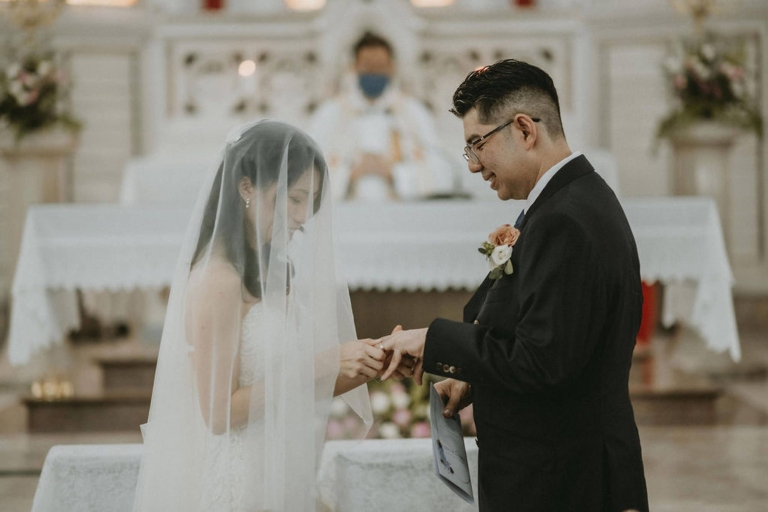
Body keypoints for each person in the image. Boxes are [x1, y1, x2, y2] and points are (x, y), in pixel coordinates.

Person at [380, 60, 649, 511]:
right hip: (557, 471)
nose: (472, 166)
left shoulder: (565, 219)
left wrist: (433, 341)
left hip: (565, 482)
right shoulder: (565, 203)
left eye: (476, 145)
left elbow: (540, 363)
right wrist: (473, 381)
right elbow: (552, 346)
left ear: (524, 130)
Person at [132, 121, 406, 511]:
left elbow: (292, 388)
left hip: (281, 466)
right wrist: (324, 361)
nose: (302, 216)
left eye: (309, 202)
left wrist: (372, 359)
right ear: (246, 187)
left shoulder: (273, 273)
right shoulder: (218, 280)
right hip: (239, 479)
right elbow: (219, 414)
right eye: (293, 198)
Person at [308, 31, 453, 201]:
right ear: (354, 66)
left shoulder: (413, 113)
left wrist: (393, 173)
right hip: (344, 217)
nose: (374, 71)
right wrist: (348, 174)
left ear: (391, 67)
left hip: (404, 217)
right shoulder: (329, 113)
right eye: (368, 65)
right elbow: (306, 172)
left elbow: (443, 173)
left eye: (380, 65)